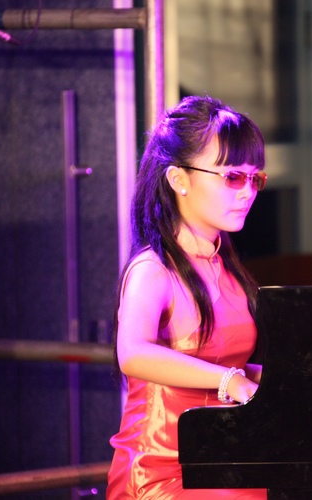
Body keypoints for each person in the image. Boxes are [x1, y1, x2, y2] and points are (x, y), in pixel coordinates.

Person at [106, 95, 268, 499]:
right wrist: (231, 381)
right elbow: (133, 353)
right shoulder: (153, 268)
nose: (247, 193)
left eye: (255, 179)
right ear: (179, 179)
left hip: (219, 459)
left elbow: (226, 362)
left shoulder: (225, 267)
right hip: (162, 470)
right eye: (233, 177)